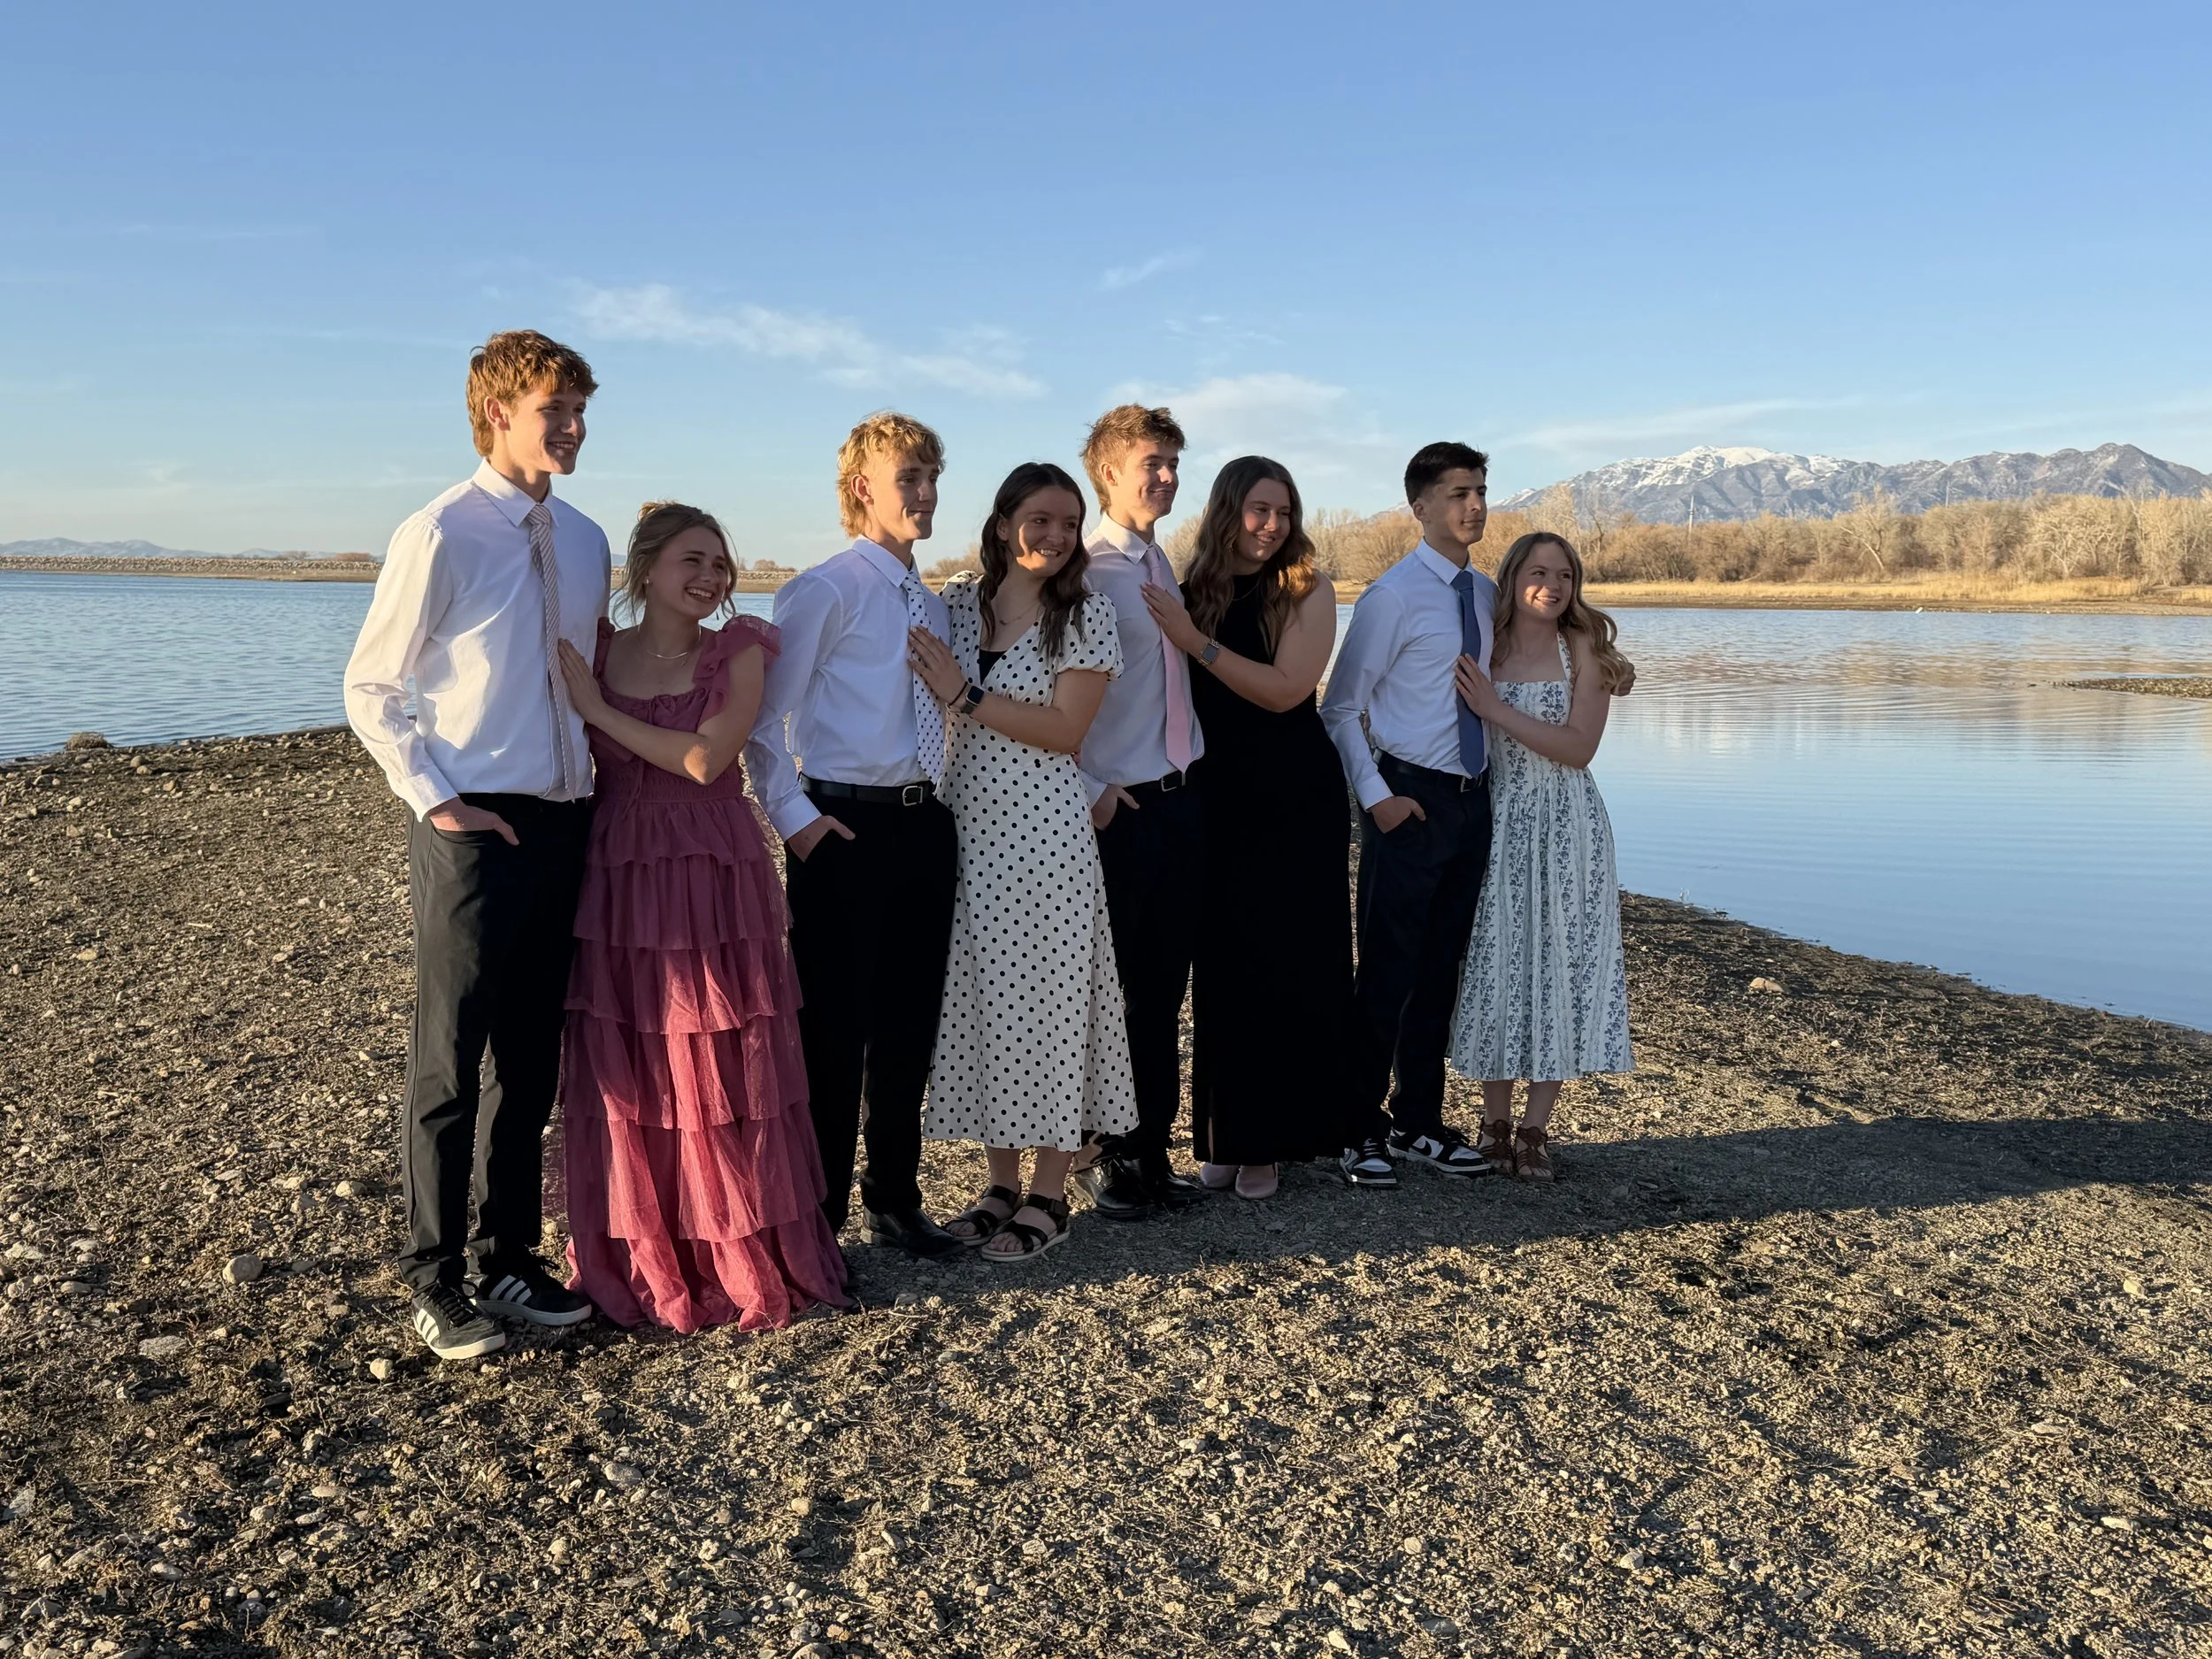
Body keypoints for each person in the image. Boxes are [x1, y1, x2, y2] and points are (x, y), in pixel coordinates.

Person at [343, 330, 606, 1360]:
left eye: (580, 410)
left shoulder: (584, 539)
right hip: (473, 820)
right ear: (498, 412)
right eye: (555, 410)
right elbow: (372, 685)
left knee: (532, 1059)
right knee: (450, 1057)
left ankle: (509, 1258)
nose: (573, 428)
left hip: (564, 820)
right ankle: (433, 1277)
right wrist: (436, 800)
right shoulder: (440, 532)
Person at [552, 503, 848, 1327]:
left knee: (717, 1057)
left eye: (720, 563)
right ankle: (648, 1248)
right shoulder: (599, 648)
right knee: (635, 1055)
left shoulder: (738, 648)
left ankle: (734, 1247)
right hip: (617, 865)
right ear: (646, 568)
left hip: (712, 867)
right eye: (693, 559)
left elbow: (705, 757)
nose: (711, 576)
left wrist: (597, 710)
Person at [742, 413, 964, 1259]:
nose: (926, 492)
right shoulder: (825, 589)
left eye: (932, 476)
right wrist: (795, 822)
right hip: (843, 825)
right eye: (909, 477)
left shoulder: (930, 603)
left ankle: (896, 1199)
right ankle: (820, 1217)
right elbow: (764, 719)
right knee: (834, 1031)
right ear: (863, 486)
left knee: (910, 1025)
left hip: (924, 823)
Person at [907, 463, 1135, 1261]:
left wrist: (965, 695)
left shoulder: (1085, 613)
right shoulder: (956, 602)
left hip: (1047, 841)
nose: (1056, 536)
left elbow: (1067, 730)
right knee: (983, 1004)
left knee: (1051, 1007)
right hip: (965, 830)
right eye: (1040, 519)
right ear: (1004, 523)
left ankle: (1049, 1193)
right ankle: (999, 1186)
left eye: (1070, 523)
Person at [1141, 456, 1353, 1200]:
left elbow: (1287, 690)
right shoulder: (1193, 585)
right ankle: (1225, 1136)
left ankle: (1271, 1140)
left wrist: (1194, 641)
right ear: (1228, 511)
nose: (1272, 525)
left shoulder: (1307, 588)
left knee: (1284, 962)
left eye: (1284, 512)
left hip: (1292, 797)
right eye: (1260, 509)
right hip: (1214, 795)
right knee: (1223, 967)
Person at [1446, 532, 1635, 1179]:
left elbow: (1579, 748)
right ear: (1511, 577)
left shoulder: (1583, 647)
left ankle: (1534, 1129)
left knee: (1562, 968)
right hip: (1497, 820)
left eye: (1564, 575)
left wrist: (1495, 708)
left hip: (1569, 826)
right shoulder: (1485, 643)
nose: (1551, 586)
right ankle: (1493, 1124)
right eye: (1537, 572)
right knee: (1498, 965)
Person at [1071, 404, 1209, 1219]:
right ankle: (1102, 1151)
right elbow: (1043, 689)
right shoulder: (1085, 571)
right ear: (1108, 472)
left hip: (1179, 802)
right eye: (1151, 462)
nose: (1166, 476)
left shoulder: (1161, 564)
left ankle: (1150, 1149)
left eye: (1172, 463)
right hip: (1118, 810)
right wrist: (1091, 787)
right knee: (1114, 992)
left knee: (1162, 992)